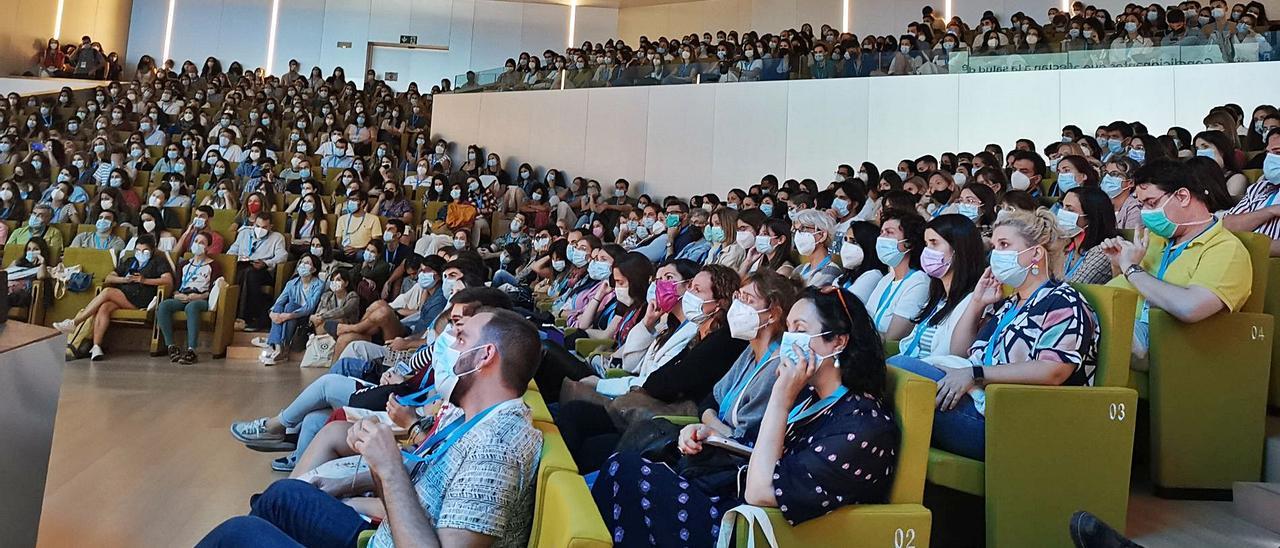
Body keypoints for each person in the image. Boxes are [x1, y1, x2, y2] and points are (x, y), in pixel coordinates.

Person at [204, 309, 543, 548]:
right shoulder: (472, 416)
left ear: (484, 356)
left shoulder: (496, 448)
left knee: (237, 533)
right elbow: (424, 488)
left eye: (460, 336)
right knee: (284, 496)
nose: (446, 345)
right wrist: (356, 480)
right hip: (389, 536)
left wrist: (390, 467)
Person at [594, 286, 899, 547]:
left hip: (762, 532)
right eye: (789, 330)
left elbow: (761, 491)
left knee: (626, 472)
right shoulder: (810, 398)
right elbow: (755, 450)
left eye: (802, 331)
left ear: (839, 341)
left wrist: (780, 397)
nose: (791, 340)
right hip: (736, 507)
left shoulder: (862, 425)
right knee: (624, 466)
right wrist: (711, 436)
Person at [892, 209, 1100, 460]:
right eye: (995, 247)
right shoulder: (1008, 305)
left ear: (1035, 253)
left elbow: (1053, 370)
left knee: (899, 367)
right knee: (896, 376)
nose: (996, 255)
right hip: (982, 406)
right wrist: (977, 303)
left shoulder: (1063, 301)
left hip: (1016, 423)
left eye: (1005, 245)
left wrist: (976, 374)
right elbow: (960, 353)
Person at [1104, 159, 1251, 360]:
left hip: (1162, 341)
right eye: (1141, 205)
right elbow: (1129, 287)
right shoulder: (1154, 239)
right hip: (1121, 322)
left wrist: (1131, 269)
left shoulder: (1226, 249)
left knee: (1075, 328)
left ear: (1182, 196)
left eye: (1151, 203)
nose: (1146, 213)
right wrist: (1118, 264)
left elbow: (1190, 307)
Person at [53, 236, 174, 361]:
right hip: (124, 296)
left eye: (145, 251)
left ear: (152, 250)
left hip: (141, 300)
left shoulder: (158, 262)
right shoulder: (130, 261)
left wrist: (144, 280)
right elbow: (109, 278)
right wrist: (124, 279)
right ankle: (96, 347)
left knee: (108, 292)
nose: (141, 254)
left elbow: (168, 280)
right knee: (104, 307)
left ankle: (75, 322)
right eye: (138, 250)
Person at [889, 214, 984, 361]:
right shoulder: (937, 298)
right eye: (926, 244)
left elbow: (953, 356)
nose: (927, 251)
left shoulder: (972, 300)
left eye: (934, 243)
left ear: (958, 249)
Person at [156, 231, 222, 365]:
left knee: (192, 307)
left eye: (202, 243)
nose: (197, 245)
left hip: (201, 298)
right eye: (196, 241)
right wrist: (177, 294)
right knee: (164, 306)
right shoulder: (184, 264)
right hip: (183, 295)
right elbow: (176, 286)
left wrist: (199, 296)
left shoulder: (213, 265)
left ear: (208, 247)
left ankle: (192, 350)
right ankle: (171, 346)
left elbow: (214, 289)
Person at [864, 209, 929, 339]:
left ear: (909, 243)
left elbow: (893, 338)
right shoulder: (887, 279)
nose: (881, 238)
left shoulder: (920, 282)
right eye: (881, 232)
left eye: (889, 233)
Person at [228, 213, 290, 331]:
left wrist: (266, 263)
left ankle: (245, 317)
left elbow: (282, 256)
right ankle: (238, 316)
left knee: (250, 274)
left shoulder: (277, 237)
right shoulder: (244, 233)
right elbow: (232, 251)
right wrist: (237, 258)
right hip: (243, 265)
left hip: (263, 270)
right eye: (258, 226)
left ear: (270, 226)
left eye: (264, 227)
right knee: (243, 272)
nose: (260, 229)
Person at [1224, 129, 1280, 255]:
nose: (1270, 159)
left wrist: (1241, 245)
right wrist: (1270, 211)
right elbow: (1227, 225)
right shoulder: (1259, 188)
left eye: (1278, 153)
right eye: (1268, 153)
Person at [1060, 187, 1121, 284]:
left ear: (1090, 217)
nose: (1062, 213)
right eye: (1062, 207)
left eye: (1070, 210)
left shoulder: (1104, 251)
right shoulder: (1068, 246)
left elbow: (1073, 287)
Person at [791, 209, 843, 287]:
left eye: (803, 229)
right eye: (796, 230)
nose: (798, 234)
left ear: (822, 235)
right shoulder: (799, 269)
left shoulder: (830, 271)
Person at [5, 236, 51, 309]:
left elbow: (41, 276)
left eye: (36, 249)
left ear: (42, 251)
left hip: (20, 294)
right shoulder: (17, 263)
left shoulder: (43, 267)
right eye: (29, 249)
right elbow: (6, 275)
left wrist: (42, 263)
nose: (31, 252)